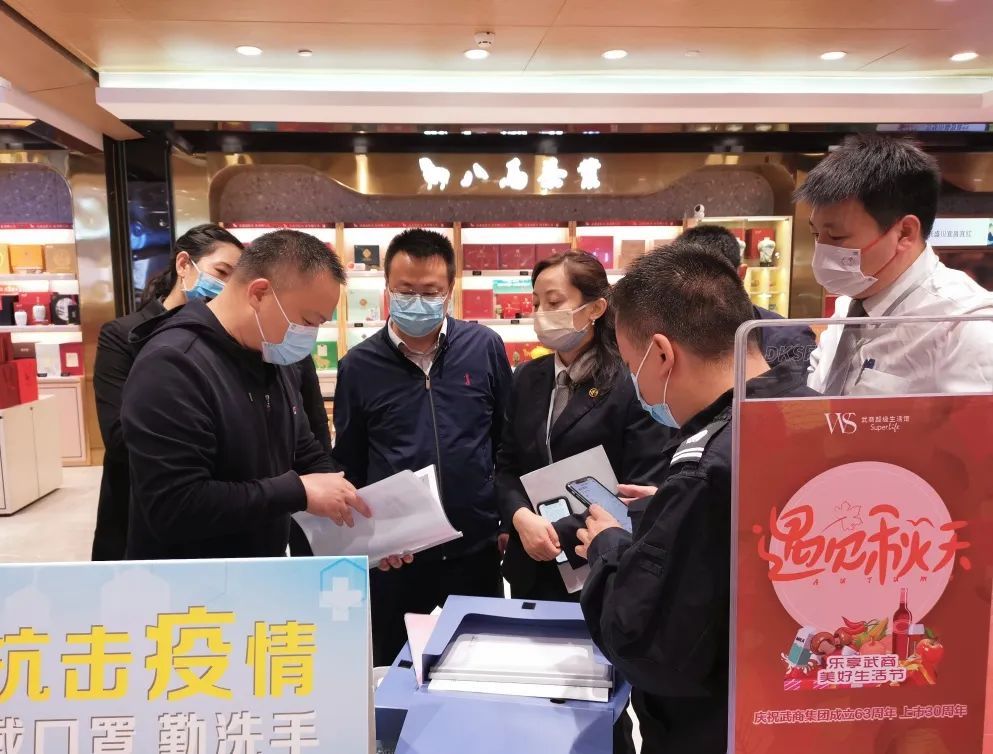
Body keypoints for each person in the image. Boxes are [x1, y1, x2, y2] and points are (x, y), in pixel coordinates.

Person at [575, 243, 816, 754]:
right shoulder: (812, 411)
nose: (635, 384)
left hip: (713, 726)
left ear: (663, 355)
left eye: (632, 364)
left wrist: (608, 545)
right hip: (800, 706)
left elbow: (645, 642)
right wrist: (670, 506)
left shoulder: (705, 464)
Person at [122, 229, 369, 560]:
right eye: (307, 321)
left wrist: (365, 520)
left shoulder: (271, 355)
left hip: (256, 566)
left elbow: (303, 449)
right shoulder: (173, 364)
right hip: (188, 581)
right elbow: (174, 505)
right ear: (259, 293)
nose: (310, 336)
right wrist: (297, 491)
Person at [333, 228, 513, 666]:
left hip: (475, 547)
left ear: (449, 290)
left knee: (480, 665)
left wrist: (507, 517)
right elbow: (351, 461)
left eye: (430, 292)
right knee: (393, 667)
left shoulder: (484, 347)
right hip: (399, 556)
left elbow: (505, 441)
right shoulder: (358, 366)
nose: (417, 301)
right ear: (386, 289)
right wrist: (370, 546)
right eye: (405, 290)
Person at [497, 250, 671, 601]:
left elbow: (642, 485)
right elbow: (506, 464)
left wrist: (554, 532)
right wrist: (519, 516)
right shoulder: (527, 377)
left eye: (554, 302)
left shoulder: (631, 382)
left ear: (596, 308)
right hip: (530, 563)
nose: (541, 314)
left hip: (601, 560)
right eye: (536, 303)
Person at [91, 224, 244, 561]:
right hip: (138, 500)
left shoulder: (228, 340)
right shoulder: (123, 335)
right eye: (221, 272)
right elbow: (118, 436)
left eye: (236, 281)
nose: (225, 287)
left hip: (212, 507)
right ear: (184, 264)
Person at [800, 134, 993, 395]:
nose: (821, 251)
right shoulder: (849, 306)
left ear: (905, 233)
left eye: (836, 237)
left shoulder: (963, 328)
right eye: (816, 234)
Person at [681, 223, 817, 370]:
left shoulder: (791, 339)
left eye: (713, 277)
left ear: (741, 274)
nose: (702, 288)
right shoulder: (667, 334)